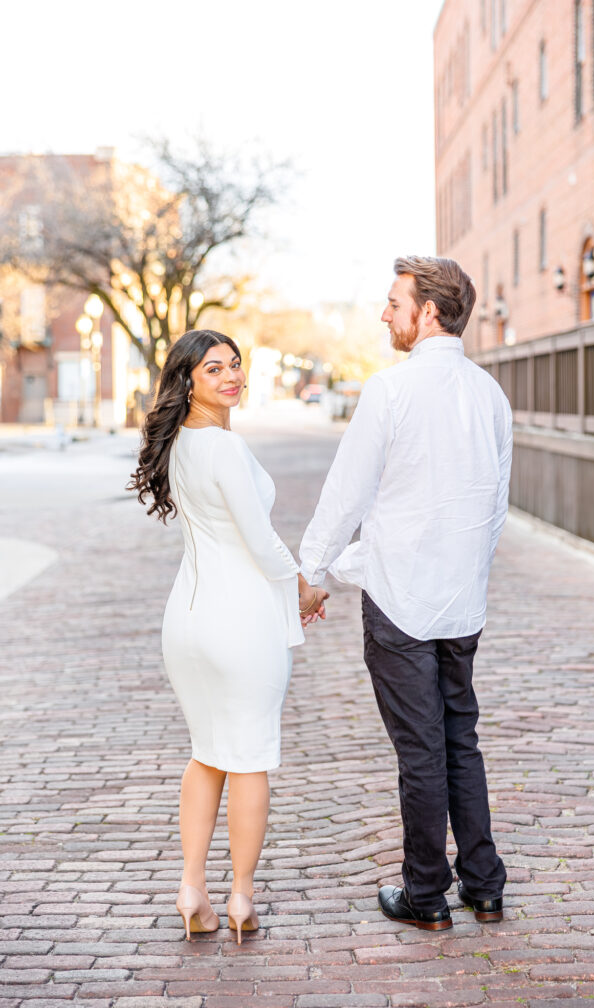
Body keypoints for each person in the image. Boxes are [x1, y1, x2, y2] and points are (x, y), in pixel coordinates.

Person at [299, 256, 512, 931]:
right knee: (460, 741)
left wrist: (314, 571)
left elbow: (346, 494)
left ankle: (426, 895)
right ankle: (483, 886)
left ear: (428, 311)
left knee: (421, 751)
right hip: (461, 602)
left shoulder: (390, 391)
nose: (385, 314)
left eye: (394, 303)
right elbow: (495, 509)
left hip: (400, 605)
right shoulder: (492, 397)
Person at [128, 329, 327, 943]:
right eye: (214, 369)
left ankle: (193, 888)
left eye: (235, 365)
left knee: (207, 751)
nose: (231, 376)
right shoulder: (222, 448)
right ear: (188, 381)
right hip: (239, 624)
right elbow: (258, 538)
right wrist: (303, 587)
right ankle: (240, 897)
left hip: (187, 621)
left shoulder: (182, 444)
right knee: (250, 759)